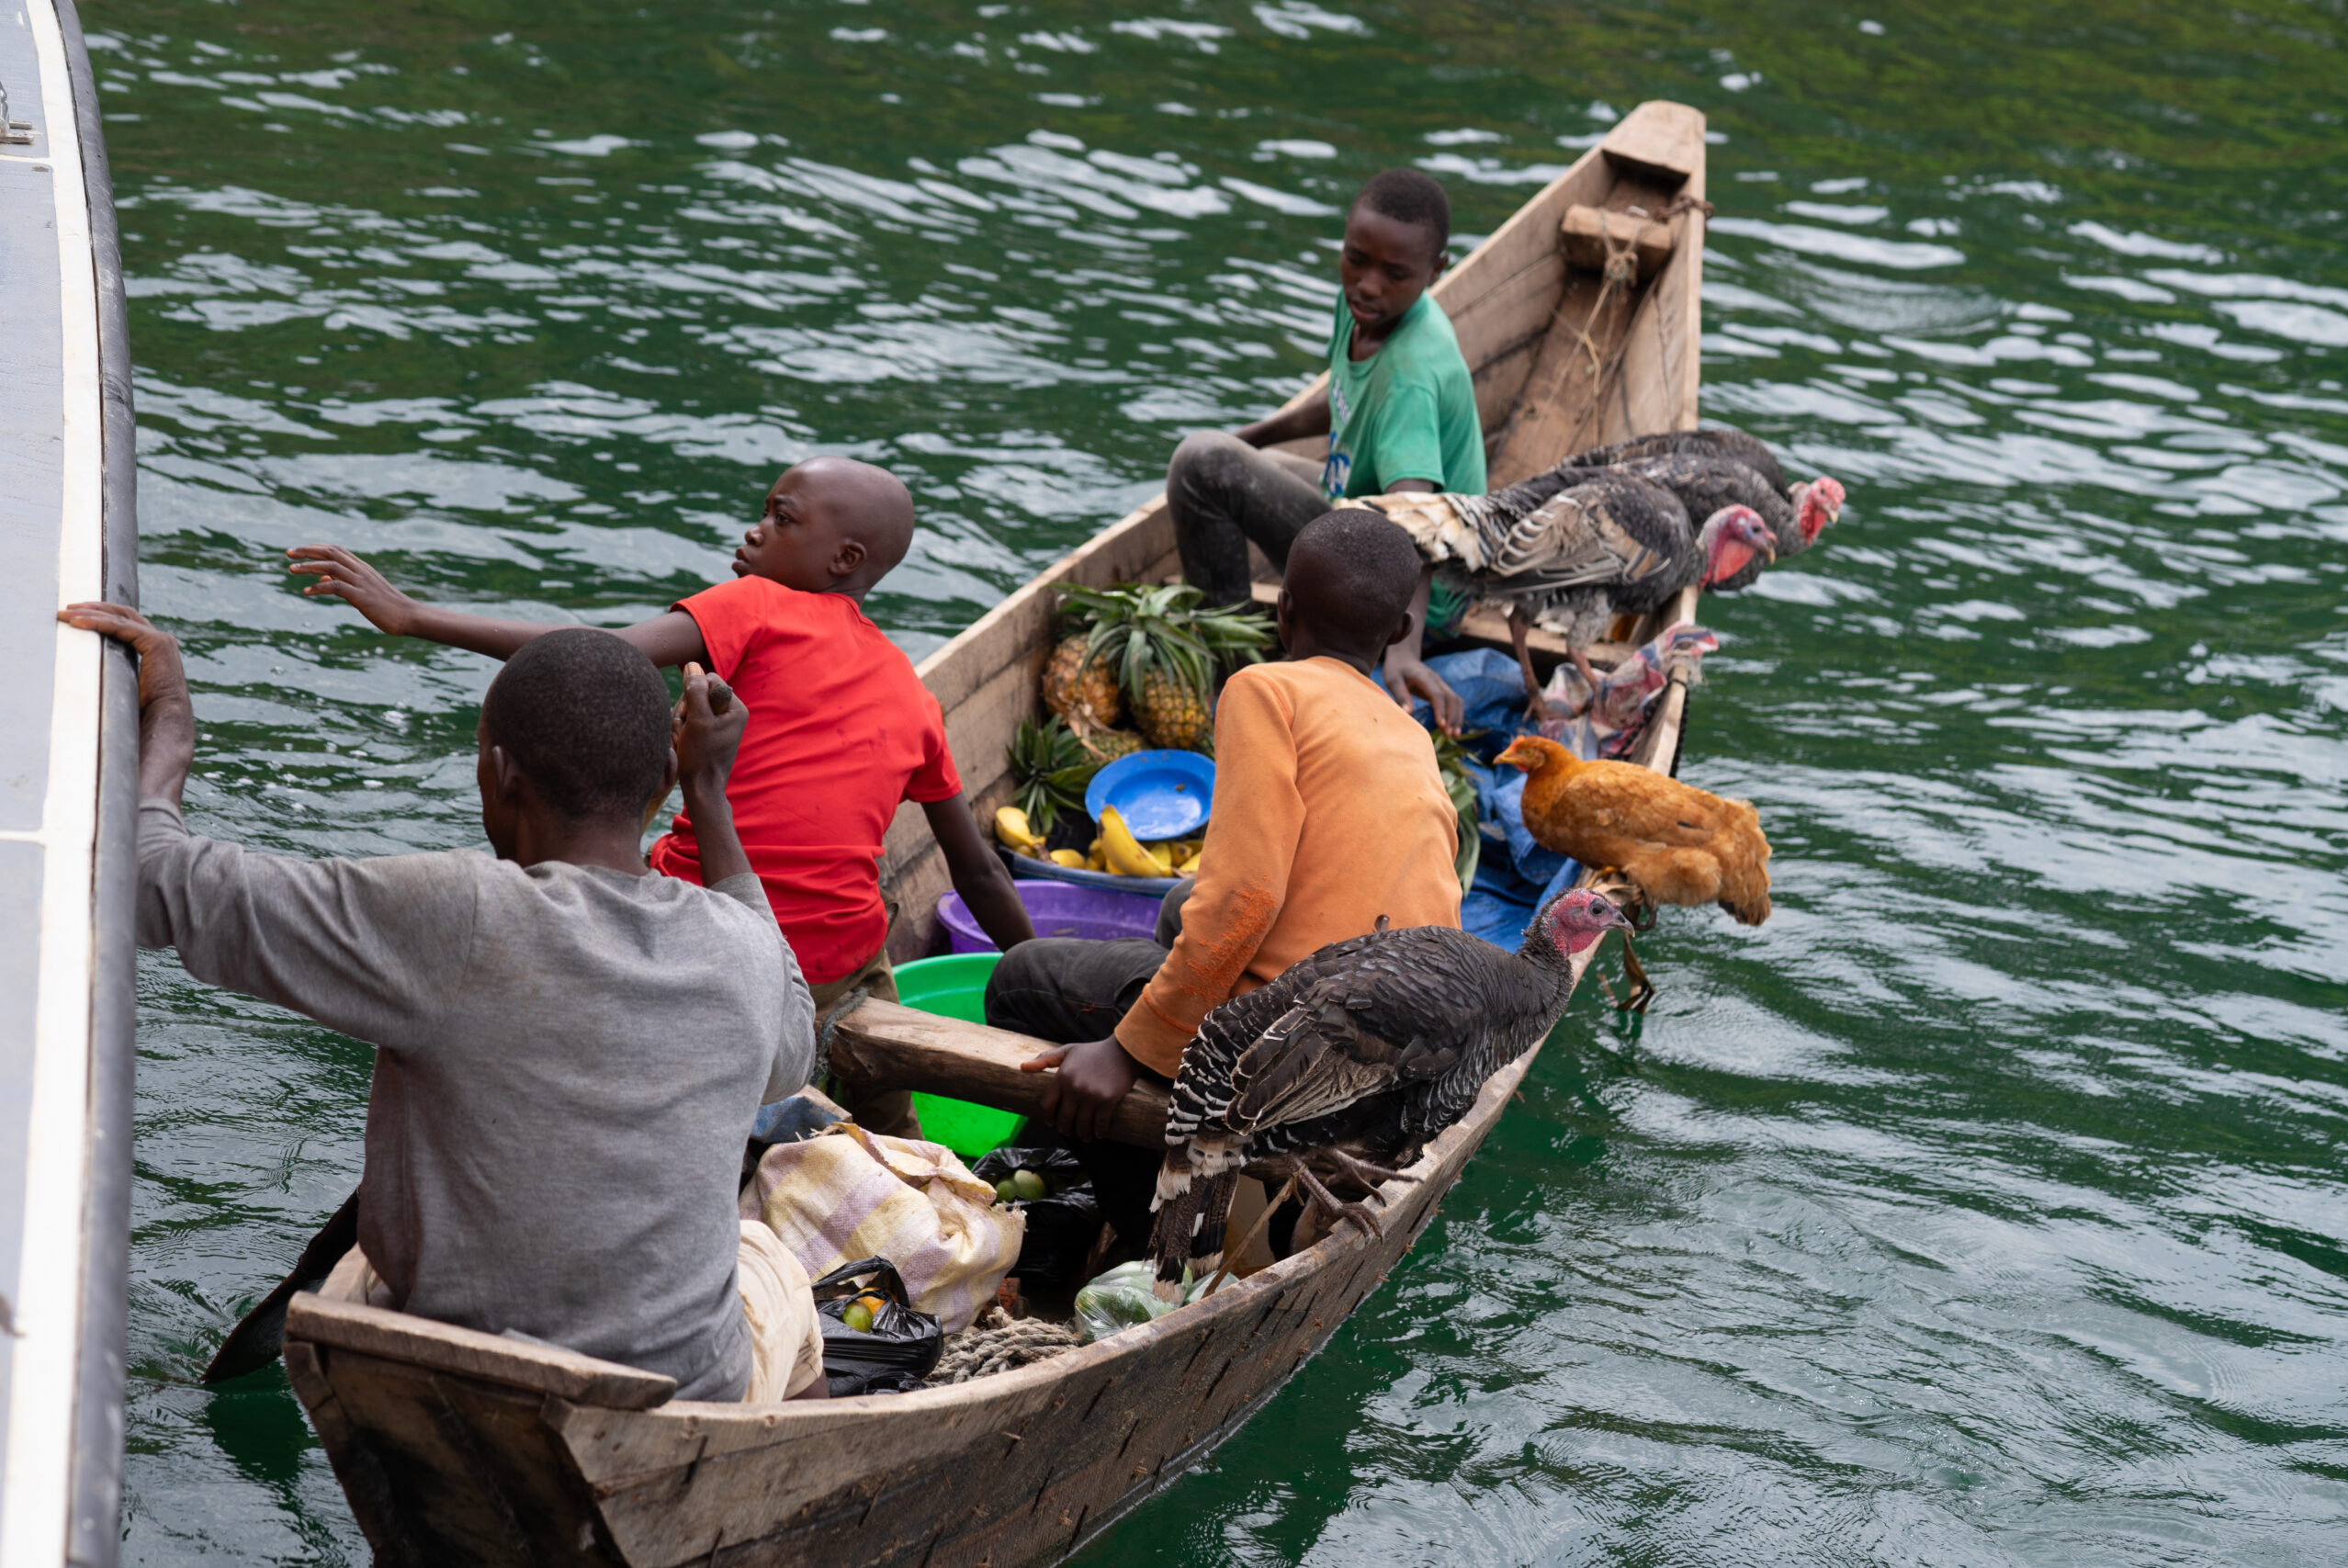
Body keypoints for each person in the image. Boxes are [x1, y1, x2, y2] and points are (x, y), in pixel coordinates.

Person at [62, 603, 828, 1402]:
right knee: (773, 1263)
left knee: (360, 1262)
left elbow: (146, 876)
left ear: (499, 774)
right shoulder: (738, 945)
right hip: (679, 1389)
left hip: (451, 1368)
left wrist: (171, 704)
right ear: (663, 782)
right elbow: (792, 1056)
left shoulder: (455, 914)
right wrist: (710, 792)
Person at [287, 456, 1036, 1135]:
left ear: (844, 558)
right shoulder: (914, 694)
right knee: (881, 1066)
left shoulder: (759, 606)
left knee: (607, 862)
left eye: (781, 517)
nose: (755, 527)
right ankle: (894, 1143)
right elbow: (979, 873)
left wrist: (413, 616)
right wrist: (1048, 994)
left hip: (715, 946)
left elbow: (595, 653)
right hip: (837, 965)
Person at [983, 510, 1464, 1245]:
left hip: (1279, 1047)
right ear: (1400, 631)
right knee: (1181, 906)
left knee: (1019, 978)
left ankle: (1156, 1229)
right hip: (1390, 1059)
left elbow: (1248, 896)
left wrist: (1127, 1051)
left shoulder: (1265, 689)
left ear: (1284, 608)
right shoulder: (1411, 737)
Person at [1166, 167, 1484, 734]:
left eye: (1395, 273)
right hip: (1360, 514)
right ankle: (1244, 651)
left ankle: (1237, 673)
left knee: (1201, 464)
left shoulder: (1411, 373)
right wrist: (1256, 436)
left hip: (1410, 593)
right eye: (1356, 259)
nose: (1368, 284)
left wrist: (1403, 648)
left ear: (1436, 271)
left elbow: (1416, 521)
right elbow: (1343, 400)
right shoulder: (1366, 309)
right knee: (1231, 458)